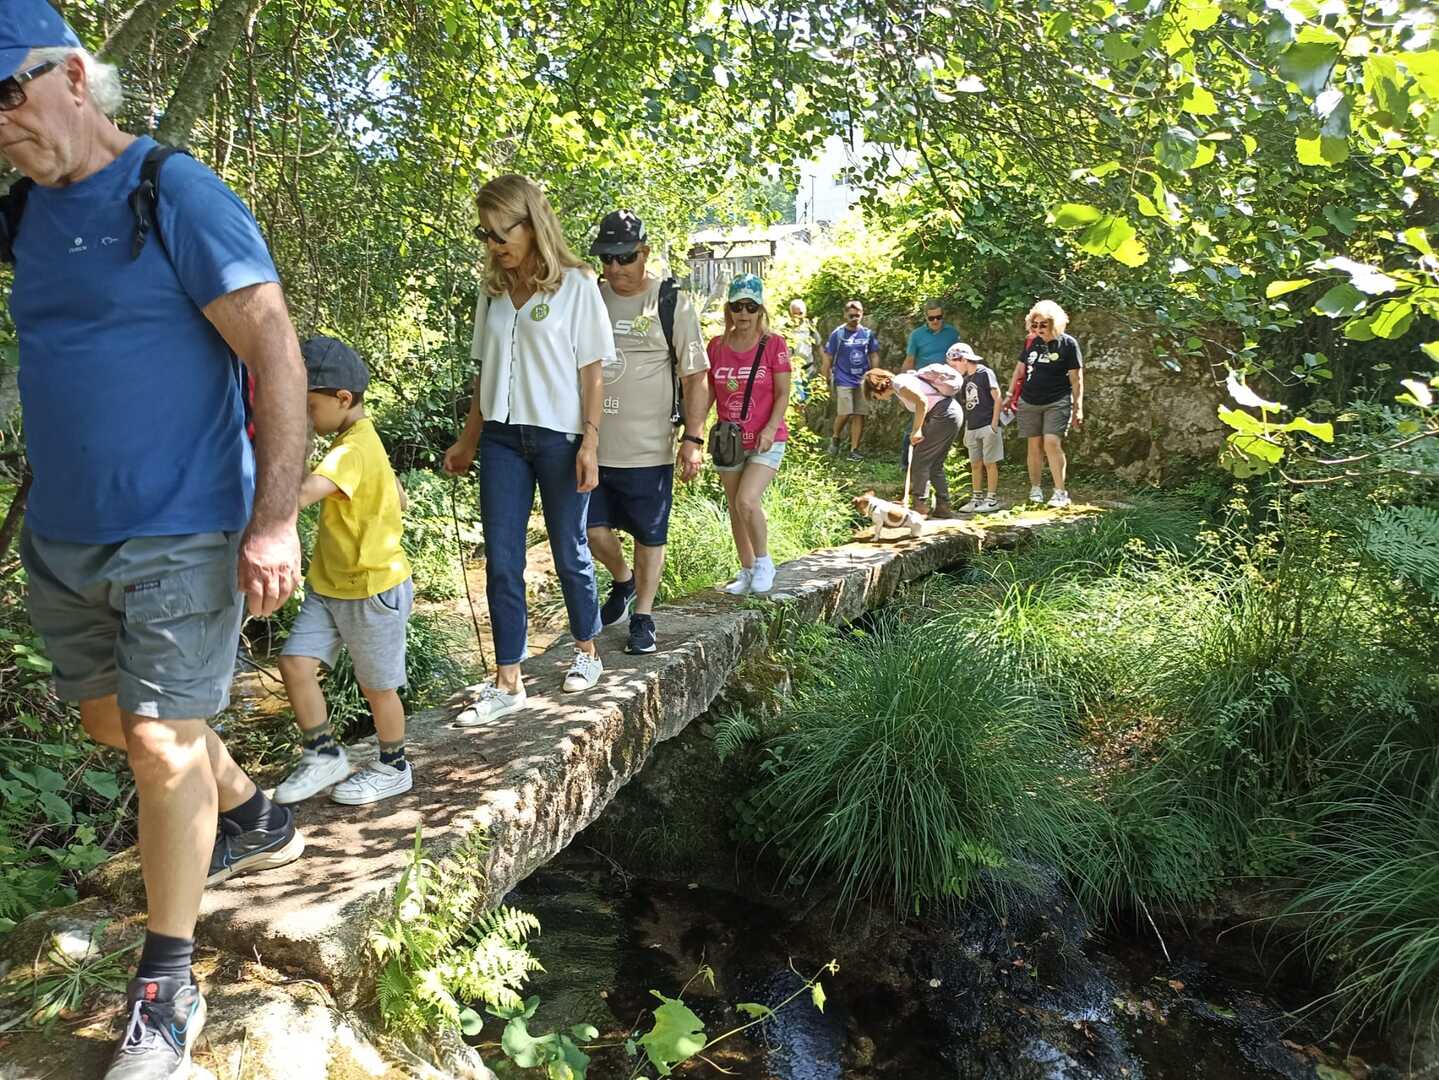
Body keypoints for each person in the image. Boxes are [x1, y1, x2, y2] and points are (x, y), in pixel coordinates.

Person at [1, 5, 308, 1075]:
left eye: (7, 92)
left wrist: (275, 518)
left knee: (162, 743)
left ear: (73, 76)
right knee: (112, 725)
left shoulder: (170, 191)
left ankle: (166, 991)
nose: (0, 122)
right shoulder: (23, 215)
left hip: (181, 521)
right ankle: (254, 811)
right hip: (65, 533)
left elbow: (274, 349)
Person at [443, 175, 615, 725]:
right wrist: (467, 440)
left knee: (568, 549)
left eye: (502, 232)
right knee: (501, 559)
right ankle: (508, 681)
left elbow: (592, 373)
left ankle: (587, 651)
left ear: (532, 224)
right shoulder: (491, 291)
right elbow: (484, 374)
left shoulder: (577, 284)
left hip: (560, 437)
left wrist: (590, 442)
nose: (495, 244)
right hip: (500, 439)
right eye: (485, 234)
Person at [273, 337, 415, 806]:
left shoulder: (351, 450)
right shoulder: (359, 441)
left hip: (371, 588)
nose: (306, 417)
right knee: (295, 663)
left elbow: (299, 496)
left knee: (378, 688)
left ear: (342, 399)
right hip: (331, 585)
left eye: (310, 407)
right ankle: (323, 753)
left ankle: (394, 766)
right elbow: (399, 497)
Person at [586, 209, 708, 655]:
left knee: (649, 535)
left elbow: (696, 377)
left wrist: (693, 439)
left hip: (649, 448)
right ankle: (623, 581)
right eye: (607, 259)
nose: (615, 268)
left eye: (625, 257)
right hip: (592, 446)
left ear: (645, 253)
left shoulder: (671, 302)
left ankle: (643, 615)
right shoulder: (590, 298)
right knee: (591, 531)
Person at [709, 274, 792, 595]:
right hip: (729, 440)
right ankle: (746, 570)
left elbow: (782, 393)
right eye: (737, 306)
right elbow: (707, 393)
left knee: (747, 499)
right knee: (734, 506)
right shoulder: (716, 346)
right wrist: (693, 434)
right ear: (728, 309)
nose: (743, 313)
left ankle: (764, 561)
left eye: (751, 307)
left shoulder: (774, 344)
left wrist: (770, 428)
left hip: (766, 438)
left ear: (760, 310)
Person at [861, 365, 962, 517]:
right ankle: (943, 506)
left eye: (874, 396)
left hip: (943, 414)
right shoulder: (901, 384)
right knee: (935, 464)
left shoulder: (899, 384)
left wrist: (917, 430)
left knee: (920, 460)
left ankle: (919, 506)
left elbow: (922, 402)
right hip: (948, 413)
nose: (877, 400)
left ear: (877, 387)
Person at [1013, 301, 1084, 508]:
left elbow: (1077, 379)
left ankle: (1060, 492)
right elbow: (1020, 370)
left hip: (1057, 400)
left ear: (1055, 323)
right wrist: (1010, 394)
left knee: (1051, 442)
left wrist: (1078, 407)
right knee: (1034, 445)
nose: (1038, 329)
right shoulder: (1031, 342)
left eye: (1043, 324)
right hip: (1029, 400)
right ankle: (1035, 489)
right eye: (1034, 325)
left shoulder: (1068, 344)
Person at [948, 343, 1004, 512]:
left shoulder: (985, 373)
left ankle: (991, 499)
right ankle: (977, 498)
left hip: (987, 424)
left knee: (990, 462)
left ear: (964, 359)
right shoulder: (965, 380)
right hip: (972, 426)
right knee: (975, 464)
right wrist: (967, 427)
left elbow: (998, 397)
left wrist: (994, 424)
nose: (954, 369)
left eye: (955, 364)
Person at [821, 299, 880, 460]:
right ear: (845, 315)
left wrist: (874, 375)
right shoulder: (838, 334)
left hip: (862, 380)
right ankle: (835, 437)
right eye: (851, 315)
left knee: (859, 414)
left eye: (857, 315)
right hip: (843, 378)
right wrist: (824, 377)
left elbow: (873, 354)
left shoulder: (867, 333)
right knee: (845, 412)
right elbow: (828, 357)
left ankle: (854, 449)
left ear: (862, 314)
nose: (854, 318)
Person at [902, 299, 959, 372]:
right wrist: (903, 376)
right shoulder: (916, 335)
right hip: (924, 375)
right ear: (926, 317)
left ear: (943, 316)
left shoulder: (952, 333)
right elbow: (909, 360)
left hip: (947, 375)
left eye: (938, 317)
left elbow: (958, 358)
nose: (935, 321)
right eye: (931, 318)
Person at [784, 298, 821, 403]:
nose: (798, 317)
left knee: (809, 400)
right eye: (795, 314)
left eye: (800, 313)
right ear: (790, 314)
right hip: (794, 370)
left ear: (805, 312)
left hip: (809, 369)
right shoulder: (786, 329)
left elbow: (818, 346)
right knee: (799, 399)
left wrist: (824, 366)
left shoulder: (810, 327)